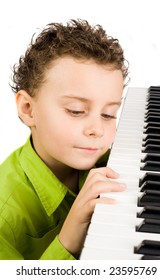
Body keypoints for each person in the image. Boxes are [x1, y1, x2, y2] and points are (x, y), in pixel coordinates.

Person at [0, 19, 129, 260]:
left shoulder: (111, 161)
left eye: (109, 114)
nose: (97, 130)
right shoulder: (4, 213)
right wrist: (67, 241)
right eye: (76, 110)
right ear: (28, 109)